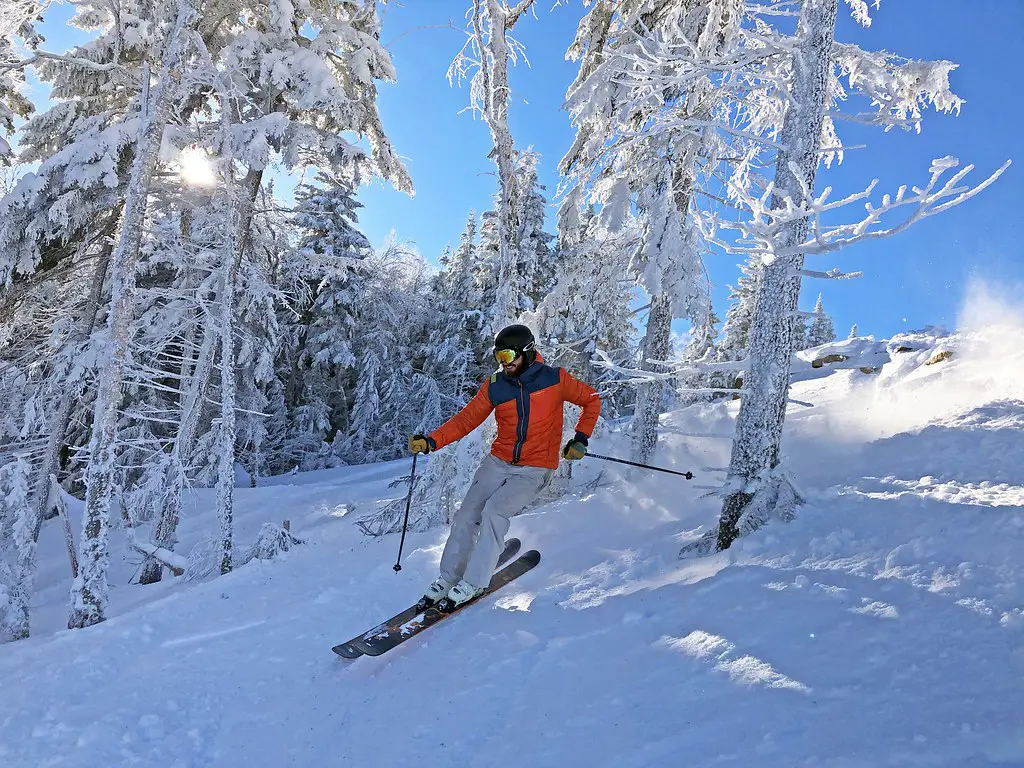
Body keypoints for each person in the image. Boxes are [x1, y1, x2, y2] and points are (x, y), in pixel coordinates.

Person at [408, 323, 601, 609]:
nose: (503, 364)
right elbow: (466, 420)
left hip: (536, 467)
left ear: (526, 352)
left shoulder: (554, 379)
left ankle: (474, 582)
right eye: (498, 357)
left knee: (494, 513)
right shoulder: (496, 385)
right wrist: (432, 441)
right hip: (498, 462)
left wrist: (581, 438)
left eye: (508, 357)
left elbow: (591, 400)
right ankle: (449, 577)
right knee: (465, 516)